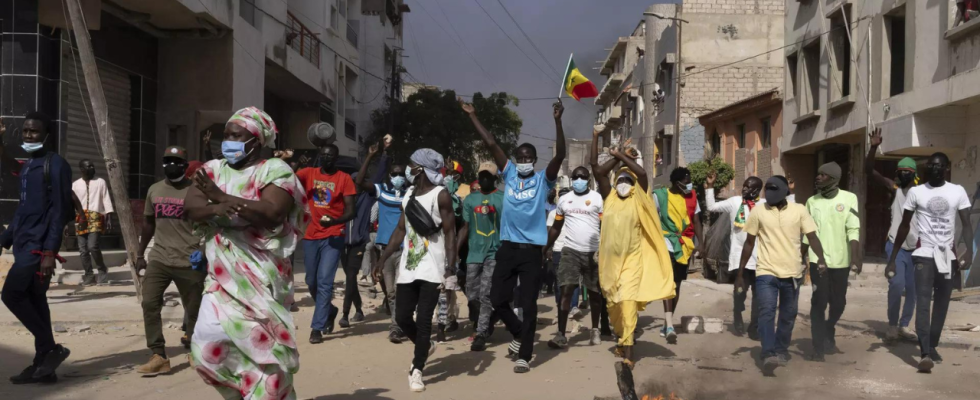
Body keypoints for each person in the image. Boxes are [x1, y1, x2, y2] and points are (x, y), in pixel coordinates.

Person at [185, 107, 303, 398]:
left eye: (236, 136)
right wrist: (216, 207)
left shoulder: (274, 170)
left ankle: (268, 393)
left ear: (256, 140)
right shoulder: (212, 170)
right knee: (206, 344)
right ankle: (241, 391)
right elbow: (190, 208)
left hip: (262, 272)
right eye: (226, 135)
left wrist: (222, 197)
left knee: (265, 348)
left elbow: (273, 212)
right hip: (221, 275)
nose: (228, 142)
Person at [462, 98, 566, 373]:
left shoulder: (543, 179)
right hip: (506, 248)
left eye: (527, 158)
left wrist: (557, 121)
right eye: (519, 158)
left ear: (534, 160)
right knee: (497, 299)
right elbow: (491, 143)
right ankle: (520, 332)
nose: (522, 162)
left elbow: (560, 156)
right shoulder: (508, 174)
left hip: (532, 250)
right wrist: (473, 116)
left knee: (529, 303)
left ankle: (525, 355)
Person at [372, 149, 456, 392]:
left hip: (433, 266)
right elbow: (400, 229)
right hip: (409, 266)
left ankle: (417, 369)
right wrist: (382, 259)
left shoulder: (441, 195)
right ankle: (424, 345)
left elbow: (450, 233)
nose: (407, 170)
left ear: (420, 168)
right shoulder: (408, 194)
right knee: (402, 316)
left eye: (411, 165)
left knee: (424, 320)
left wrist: (450, 267)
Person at [591, 129, 675, 368]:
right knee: (613, 306)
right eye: (621, 180)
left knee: (627, 304)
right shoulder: (609, 197)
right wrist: (616, 156)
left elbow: (642, 173)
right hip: (609, 265)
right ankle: (621, 337)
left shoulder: (640, 198)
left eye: (629, 181)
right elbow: (597, 170)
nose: (625, 183)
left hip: (632, 263)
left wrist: (624, 158)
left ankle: (629, 354)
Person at [1, 112, 73, 384]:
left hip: (37, 248)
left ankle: (51, 348)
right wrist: (5, 238)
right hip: (23, 243)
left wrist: (49, 253)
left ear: (47, 135)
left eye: (35, 131)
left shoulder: (56, 165)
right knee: (35, 301)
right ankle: (44, 367)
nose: (29, 136)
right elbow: (23, 209)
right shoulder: (30, 165)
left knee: (11, 295)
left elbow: (60, 211)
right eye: (26, 131)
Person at [886, 152, 974, 373]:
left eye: (939, 166)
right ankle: (924, 352)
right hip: (924, 253)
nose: (934, 169)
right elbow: (904, 226)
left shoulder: (957, 191)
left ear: (946, 168)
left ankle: (932, 344)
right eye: (931, 166)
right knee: (923, 302)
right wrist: (893, 258)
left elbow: (966, 224)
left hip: (948, 256)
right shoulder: (916, 192)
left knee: (942, 303)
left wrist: (968, 253)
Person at [736, 176, 826, 375]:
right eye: (767, 191)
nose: (769, 195)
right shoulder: (758, 211)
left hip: (792, 273)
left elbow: (811, 236)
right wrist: (740, 273)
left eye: (774, 191)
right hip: (766, 272)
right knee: (766, 313)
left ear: (785, 191)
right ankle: (768, 354)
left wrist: (821, 258)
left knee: (788, 315)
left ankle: (781, 350)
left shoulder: (799, 210)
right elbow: (749, 243)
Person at [134, 146, 206, 376]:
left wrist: (204, 250)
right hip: (159, 258)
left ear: (185, 166)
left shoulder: (196, 191)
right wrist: (140, 254)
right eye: (167, 160)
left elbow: (209, 224)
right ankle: (158, 355)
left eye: (177, 161)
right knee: (149, 303)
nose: (171, 164)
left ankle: (196, 351)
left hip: (189, 260)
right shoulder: (154, 190)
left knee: (194, 310)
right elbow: (148, 224)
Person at [297, 143, 357, 344]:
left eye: (330, 155)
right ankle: (330, 311)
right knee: (311, 282)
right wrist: (293, 162)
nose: (326, 158)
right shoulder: (309, 173)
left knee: (324, 281)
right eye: (323, 155)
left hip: (333, 234)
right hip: (311, 234)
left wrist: (335, 221)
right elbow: (288, 180)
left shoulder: (344, 179)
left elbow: (351, 211)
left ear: (336, 158)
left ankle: (317, 328)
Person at [802, 162, 861, 361]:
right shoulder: (812, 201)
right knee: (818, 303)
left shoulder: (849, 198)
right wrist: (800, 257)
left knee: (839, 303)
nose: (818, 177)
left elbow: (853, 228)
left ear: (834, 179)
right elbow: (807, 234)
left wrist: (855, 256)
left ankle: (829, 327)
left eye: (823, 175)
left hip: (841, 262)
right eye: (818, 174)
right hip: (818, 262)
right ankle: (818, 348)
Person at [865, 128, 919, 342]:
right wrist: (873, 147)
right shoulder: (894, 188)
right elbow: (870, 172)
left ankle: (905, 325)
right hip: (895, 247)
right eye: (901, 170)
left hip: (917, 248)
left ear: (914, 173)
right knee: (896, 286)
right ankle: (892, 325)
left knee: (913, 289)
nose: (904, 173)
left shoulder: (921, 192)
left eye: (908, 170)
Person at [545, 165, 604, 349]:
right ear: (571, 179)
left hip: (592, 252)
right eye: (576, 177)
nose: (580, 180)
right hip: (569, 250)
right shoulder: (564, 200)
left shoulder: (596, 198)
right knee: (566, 290)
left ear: (589, 179)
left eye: (583, 177)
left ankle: (595, 330)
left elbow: (605, 225)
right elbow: (556, 227)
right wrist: (546, 246)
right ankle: (561, 335)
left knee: (594, 293)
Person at [357, 142, 409, 343]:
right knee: (391, 292)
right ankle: (397, 325)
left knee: (401, 289)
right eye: (394, 174)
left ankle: (399, 326)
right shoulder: (383, 191)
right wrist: (370, 157)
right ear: (389, 176)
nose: (398, 177)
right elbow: (360, 182)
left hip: (406, 249)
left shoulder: (411, 194)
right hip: (385, 249)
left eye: (401, 174)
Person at [704, 173, 764, 339]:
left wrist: (791, 192)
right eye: (743, 185)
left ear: (757, 190)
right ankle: (738, 316)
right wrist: (710, 187)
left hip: (761, 259)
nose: (744, 188)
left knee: (759, 297)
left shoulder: (765, 205)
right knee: (739, 293)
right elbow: (712, 207)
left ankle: (754, 326)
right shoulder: (735, 202)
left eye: (748, 186)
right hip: (740, 259)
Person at [652, 167, 704, 344]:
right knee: (669, 283)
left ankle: (668, 322)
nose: (689, 185)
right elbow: (651, 219)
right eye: (686, 181)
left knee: (677, 284)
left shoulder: (692, 197)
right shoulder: (659, 196)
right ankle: (669, 326)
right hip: (666, 243)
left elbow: (697, 221)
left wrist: (701, 244)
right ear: (676, 182)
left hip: (685, 246)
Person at [341, 142, 387, 329]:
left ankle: (345, 314)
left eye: (357, 182)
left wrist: (381, 155)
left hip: (359, 243)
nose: (355, 184)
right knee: (350, 278)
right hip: (341, 243)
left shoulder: (367, 198)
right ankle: (359, 309)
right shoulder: (342, 198)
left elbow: (378, 176)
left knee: (350, 277)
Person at [459, 163, 504, 351]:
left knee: (485, 294)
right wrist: (454, 250)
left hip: (494, 252)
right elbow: (465, 227)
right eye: (481, 175)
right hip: (473, 254)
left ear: (495, 178)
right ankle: (487, 320)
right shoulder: (470, 199)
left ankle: (481, 333)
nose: (484, 179)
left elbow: (506, 227)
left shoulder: (502, 199)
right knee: (471, 295)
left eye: (488, 176)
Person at [71, 159, 115, 286]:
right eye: (88, 166)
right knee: (83, 249)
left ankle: (102, 269)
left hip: (96, 215)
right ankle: (89, 275)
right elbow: (72, 203)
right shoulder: (75, 185)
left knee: (93, 246)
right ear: (81, 169)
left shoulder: (100, 182)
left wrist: (109, 216)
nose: (92, 167)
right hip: (81, 217)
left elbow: (106, 199)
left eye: (92, 165)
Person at [436, 160, 465, 341]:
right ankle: (446, 319)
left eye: (454, 176)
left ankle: (442, 324)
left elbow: (462, 226)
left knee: (446, 288)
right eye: (447, 173)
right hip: (432, 247)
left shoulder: (459, 202)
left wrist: (456, 249)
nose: (450, 178)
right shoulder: (432, 195)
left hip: (449, 249)